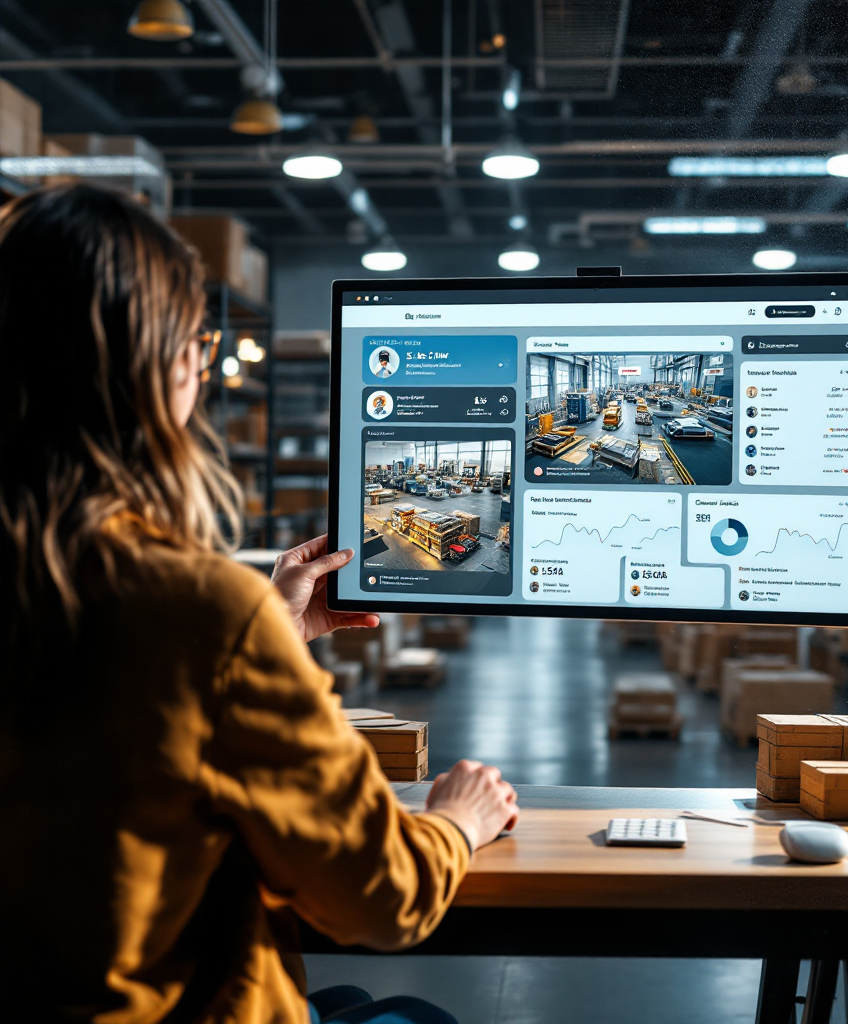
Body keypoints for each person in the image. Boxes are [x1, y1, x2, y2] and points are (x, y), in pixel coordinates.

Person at [0, 185, 519, 1024]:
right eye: (199, 344)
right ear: (162, 366)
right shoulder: (197, 608)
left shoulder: (194, 613)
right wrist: (457, 822)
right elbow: (379, 900)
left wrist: (266, 633)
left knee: (341, 998)